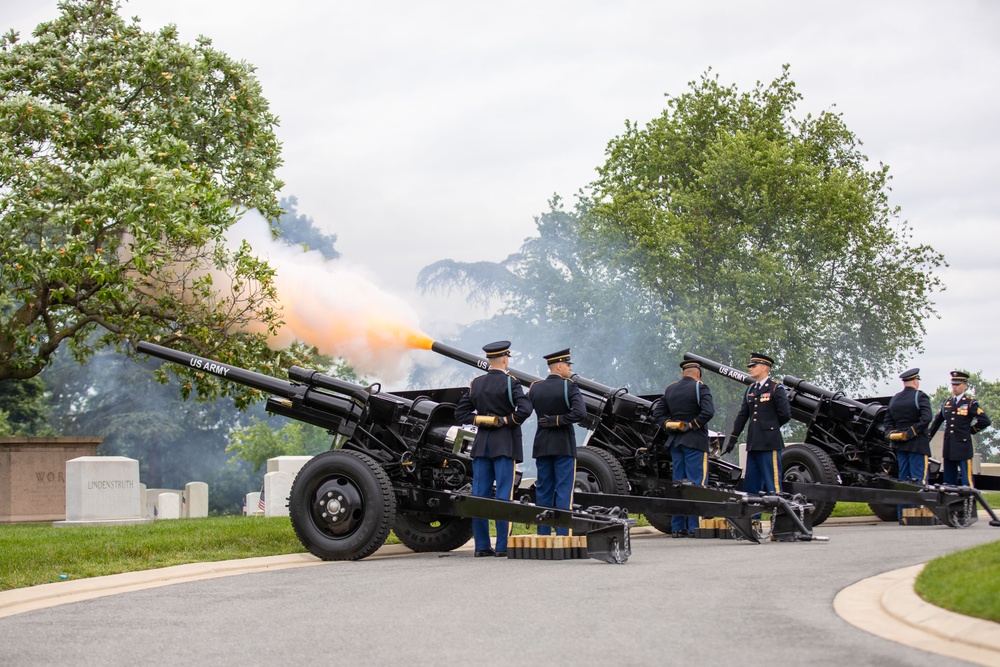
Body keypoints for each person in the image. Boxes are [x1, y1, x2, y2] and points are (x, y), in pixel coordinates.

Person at [454, 340, 533, 557]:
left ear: (489, 360)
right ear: (505, 359)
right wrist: (506, 420)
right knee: (504, 495)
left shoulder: (477, 383)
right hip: (505, 445)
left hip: (481, 446)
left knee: (479, 495)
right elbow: (525, 408)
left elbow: (460, 413)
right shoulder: (511, 383)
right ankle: (502, 546)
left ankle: (481, 546)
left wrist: (481, 419)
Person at [651, 359, 715, 537]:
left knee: (678, 484)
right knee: (697, 484)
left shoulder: (671, 389)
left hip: (676, 442)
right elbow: (708, 411)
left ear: (683, 373)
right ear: (698, 374)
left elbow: (658, 414)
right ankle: (696, 527)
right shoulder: (700, 388)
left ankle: (678, 527)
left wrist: (670, 424)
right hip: (694, 441)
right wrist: (692, 425)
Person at [529, 348, 587, 536]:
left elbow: (524, 409)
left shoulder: (535, 387)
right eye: (568, 365)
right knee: (563, 490)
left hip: (542, 444)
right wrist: (558, 420)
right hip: (563, 445)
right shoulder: (569, 386)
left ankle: (543, 534)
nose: (570, 369)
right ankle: (563, 533)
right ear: (559, 366)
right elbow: (580, 413)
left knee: (543, 490)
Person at [724, 353, 791, 496]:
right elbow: (743, 415)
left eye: (754, 366)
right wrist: (733, 438)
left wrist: (770, 428)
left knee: (773, 484)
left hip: (769, 443)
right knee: (751, 485)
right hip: (754, 443)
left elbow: (785, 414)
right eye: (750, 366)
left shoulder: (775, 388)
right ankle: (753, 517)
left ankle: (776, 513)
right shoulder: (750, 390)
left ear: (764, 368)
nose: (750, 369)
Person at [883, 368, 933, 520]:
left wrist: (893, 433)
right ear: (915, 381)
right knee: (919, 480)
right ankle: (919, 514)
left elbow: (888, 421)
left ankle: (903, 515)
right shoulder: (920, 397)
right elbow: (926, 418)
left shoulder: (895, 399)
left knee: (903, 481)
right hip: (917, 445)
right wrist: (911, 433)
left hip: (900, 446)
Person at [928, 370, 991, 486]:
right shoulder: (947, 402)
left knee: (967, 481)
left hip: (962, 448)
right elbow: (937, 421)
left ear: (964, 385)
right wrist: (928, 437)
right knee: (948, 481)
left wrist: (971, 431)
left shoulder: (970, 403)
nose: (954, 387)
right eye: (953, 384)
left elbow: (985, 421)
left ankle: (969, 502)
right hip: (948, 447)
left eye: (957, 384)